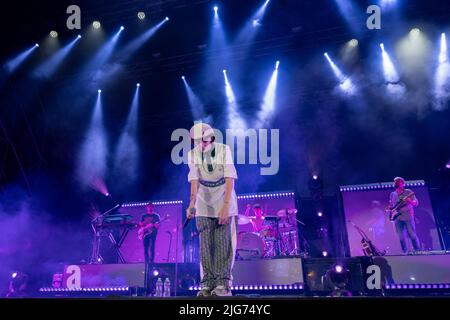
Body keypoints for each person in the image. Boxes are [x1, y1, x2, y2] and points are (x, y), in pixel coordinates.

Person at [186, 123, 238, 297]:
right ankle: (207, 283)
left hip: (224, 198)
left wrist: (225, 206)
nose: (201, 144)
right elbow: (194, 180)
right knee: (205, 245)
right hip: (203, 202)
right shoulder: (192, 155)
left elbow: (230, 178)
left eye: (204, 141)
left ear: (211, 137)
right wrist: (191, 204)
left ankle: (223, 284)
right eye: (197, 141)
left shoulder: (224, 150)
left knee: (223, 244)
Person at [388, 177, 421, 253]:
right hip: (397, 218)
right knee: (401, 237)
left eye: (398, 181)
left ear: (403, 183)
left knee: (412, 234)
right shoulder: (392, 194)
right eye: (395, 181)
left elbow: (416, 203)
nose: (396, 182)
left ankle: (417, 251)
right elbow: (392, 205)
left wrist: (409, 200)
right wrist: (390, 210)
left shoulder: (408, 192)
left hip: (408, 216)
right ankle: (405, 252)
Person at [139, 203, 160, 291]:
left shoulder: (156, 216)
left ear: (153, 208)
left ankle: (151, 261)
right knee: (145, 248)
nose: (150, 208)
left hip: (153, 234)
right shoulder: (144, 216)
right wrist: (145, 225)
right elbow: (140, 224)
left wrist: (156, 225)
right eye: (149, 207)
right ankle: (146, 261)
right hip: (145, 234)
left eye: (151, 207)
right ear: (147, 208)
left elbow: (158, 226)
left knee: (152, 248)